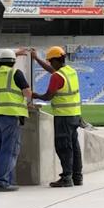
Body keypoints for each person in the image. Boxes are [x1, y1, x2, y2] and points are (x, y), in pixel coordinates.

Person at [31, 46, 82, 188]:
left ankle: (66, 178)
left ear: (55, 60)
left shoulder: (57, 76)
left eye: (50, 61)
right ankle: (77, 177)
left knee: (63, 147)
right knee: (74, 147)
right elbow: (52, 71)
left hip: (63, 117)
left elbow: (48, 96)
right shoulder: (70, 72)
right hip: (75, 115)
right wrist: (36, 59)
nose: (50, 64)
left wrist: (34, 95)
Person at [0, 48, 31, 192]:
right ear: (13, 62)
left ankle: (7, 180)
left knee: (1, 149)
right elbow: (27, 93)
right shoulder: (16, 73)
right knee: (10, 150)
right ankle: (1, 182)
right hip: (10, 115)